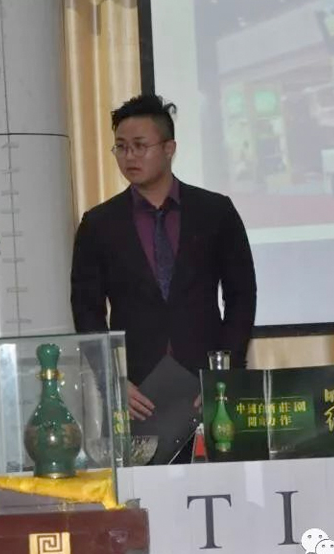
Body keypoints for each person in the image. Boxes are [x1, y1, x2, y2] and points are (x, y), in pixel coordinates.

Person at [70, 94, 257, 462]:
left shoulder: (215, 211)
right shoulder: (99, 224)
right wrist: (113, 380)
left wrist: (223, 373)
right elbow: (86, 309)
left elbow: (241, 295)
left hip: (207, 388)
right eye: (121, 147)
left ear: (169, 148)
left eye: (140, 146)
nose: (129, 156)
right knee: (140, 491)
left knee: (221, 486)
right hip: (137, 392)